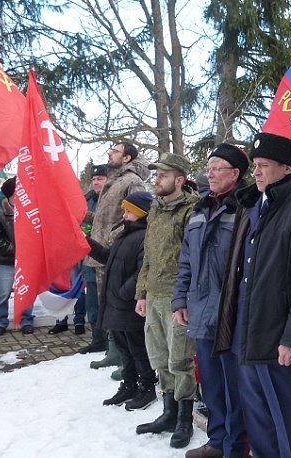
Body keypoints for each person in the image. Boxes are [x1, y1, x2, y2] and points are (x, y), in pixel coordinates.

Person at [214, 132, 291, 458]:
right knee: (258, 417)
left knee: (288, 420)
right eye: (256, 166)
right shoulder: (253, 207)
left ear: (287, 169)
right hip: (247, 332)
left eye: (264, 165)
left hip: (279, 337)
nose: (257, 172)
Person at [172, 143, 251, 458]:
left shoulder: (247, 207)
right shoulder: (200, 208)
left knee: (236, 387)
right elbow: (186, 261)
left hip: (231, 313)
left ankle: (235, 446)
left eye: (217, 167)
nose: (210, 172)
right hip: (201, 312)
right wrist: (180, 299)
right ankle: (216, 441)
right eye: (208, 166)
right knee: (212, 384)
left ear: (235, 173)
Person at [134, 153, 199, 449]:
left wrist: (184, 299)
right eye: (155, 175)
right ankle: (168, 413)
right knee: (159, 358)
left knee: (180, 360)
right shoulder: (156, 210)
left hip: (177, 298)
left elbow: (193, 260)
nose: (156, 179)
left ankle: (185, 418)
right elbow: (147, 256)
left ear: (179, 179)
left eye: (162, 175)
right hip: (155, 296)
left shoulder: (192, 210)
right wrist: (142, 293)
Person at [86, 191, 159, 410]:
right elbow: (109, 259)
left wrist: (123, 292)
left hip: (129, 305)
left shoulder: (146, 236)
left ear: (140, 213)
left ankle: (147, 388)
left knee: (138, 349)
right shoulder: (125, 234)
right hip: (116, 304)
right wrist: (87, 243)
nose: (124, 214)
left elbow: (142, 271)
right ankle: (129, 384)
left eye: (129, 211)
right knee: (124, 349)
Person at [80, 141, 148, 359]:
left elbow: (137, 214)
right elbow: (104, 216)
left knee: (118, 307)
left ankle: (122, 356)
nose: (110, 153)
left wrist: (112, 239)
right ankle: (112, 350)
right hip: (101, 252)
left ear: (126, 158)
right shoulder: (114, 181)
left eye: (115, 151)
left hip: (115, 251)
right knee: (104, 305)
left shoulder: (132, 181)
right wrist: (78, 215)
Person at [50, 163, 108, 335]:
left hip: (104, 254)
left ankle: (103, 332)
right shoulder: (86, 200)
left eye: (100, 179)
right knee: (81, 288)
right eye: (94, 179)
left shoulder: (113, 199)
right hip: (82, 251)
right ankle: (83, 324)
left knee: (100, 294)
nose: (96, 182)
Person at [0, 177, 35, 336]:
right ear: (9, 195)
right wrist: (13, 249)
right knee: (4, 292)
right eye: (17, 193)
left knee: (26, 292)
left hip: (27, 260)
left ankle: (26, 320)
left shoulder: (30, 211)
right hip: (6, 261)